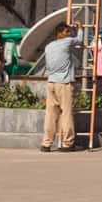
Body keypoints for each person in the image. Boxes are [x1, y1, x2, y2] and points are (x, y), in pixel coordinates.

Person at [41, 21, 84, 152]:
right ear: (60, 33)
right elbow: (80, 40)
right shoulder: (66, 42)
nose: (69, 33)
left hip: (51, 83)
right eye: (67, 31)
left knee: (50, 114)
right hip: (63, 84)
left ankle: (46, 143)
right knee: (66, 113)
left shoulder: (49, 46)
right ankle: (67, 143)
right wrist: (80, 28)